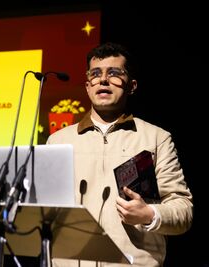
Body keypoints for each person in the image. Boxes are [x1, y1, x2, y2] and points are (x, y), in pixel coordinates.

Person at [47, 42, 193, 267]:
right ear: (87, 86)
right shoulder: (58, 140)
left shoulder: (156, 138)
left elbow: (183, 210)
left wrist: (149, 215)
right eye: (96, 74)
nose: (103, 80)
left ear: (132, 86)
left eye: (114, 73)